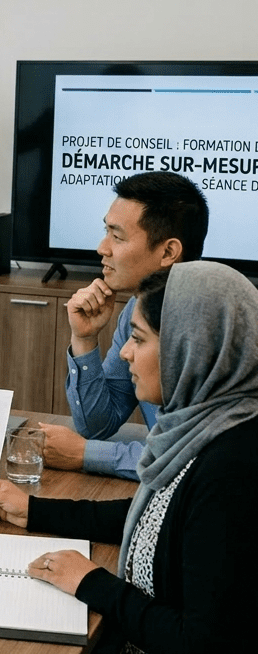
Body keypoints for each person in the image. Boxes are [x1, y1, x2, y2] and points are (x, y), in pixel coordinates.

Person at [0, 261, 258, 654]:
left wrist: (93, 584)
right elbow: (152, 516)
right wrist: (35, 510)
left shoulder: (234, 469)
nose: (125, 353)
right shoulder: (210, 425)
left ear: (189, 347)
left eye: (138, 338)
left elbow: (201, 645)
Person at [41, 171, 208, 480]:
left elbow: (190, 458)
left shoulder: (209, 327)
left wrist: (84, 454)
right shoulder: (137, 306)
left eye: (117, 237)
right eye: (106, 232)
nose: (102, 248)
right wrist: (85, 338)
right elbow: (99, 425)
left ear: (168, 252)